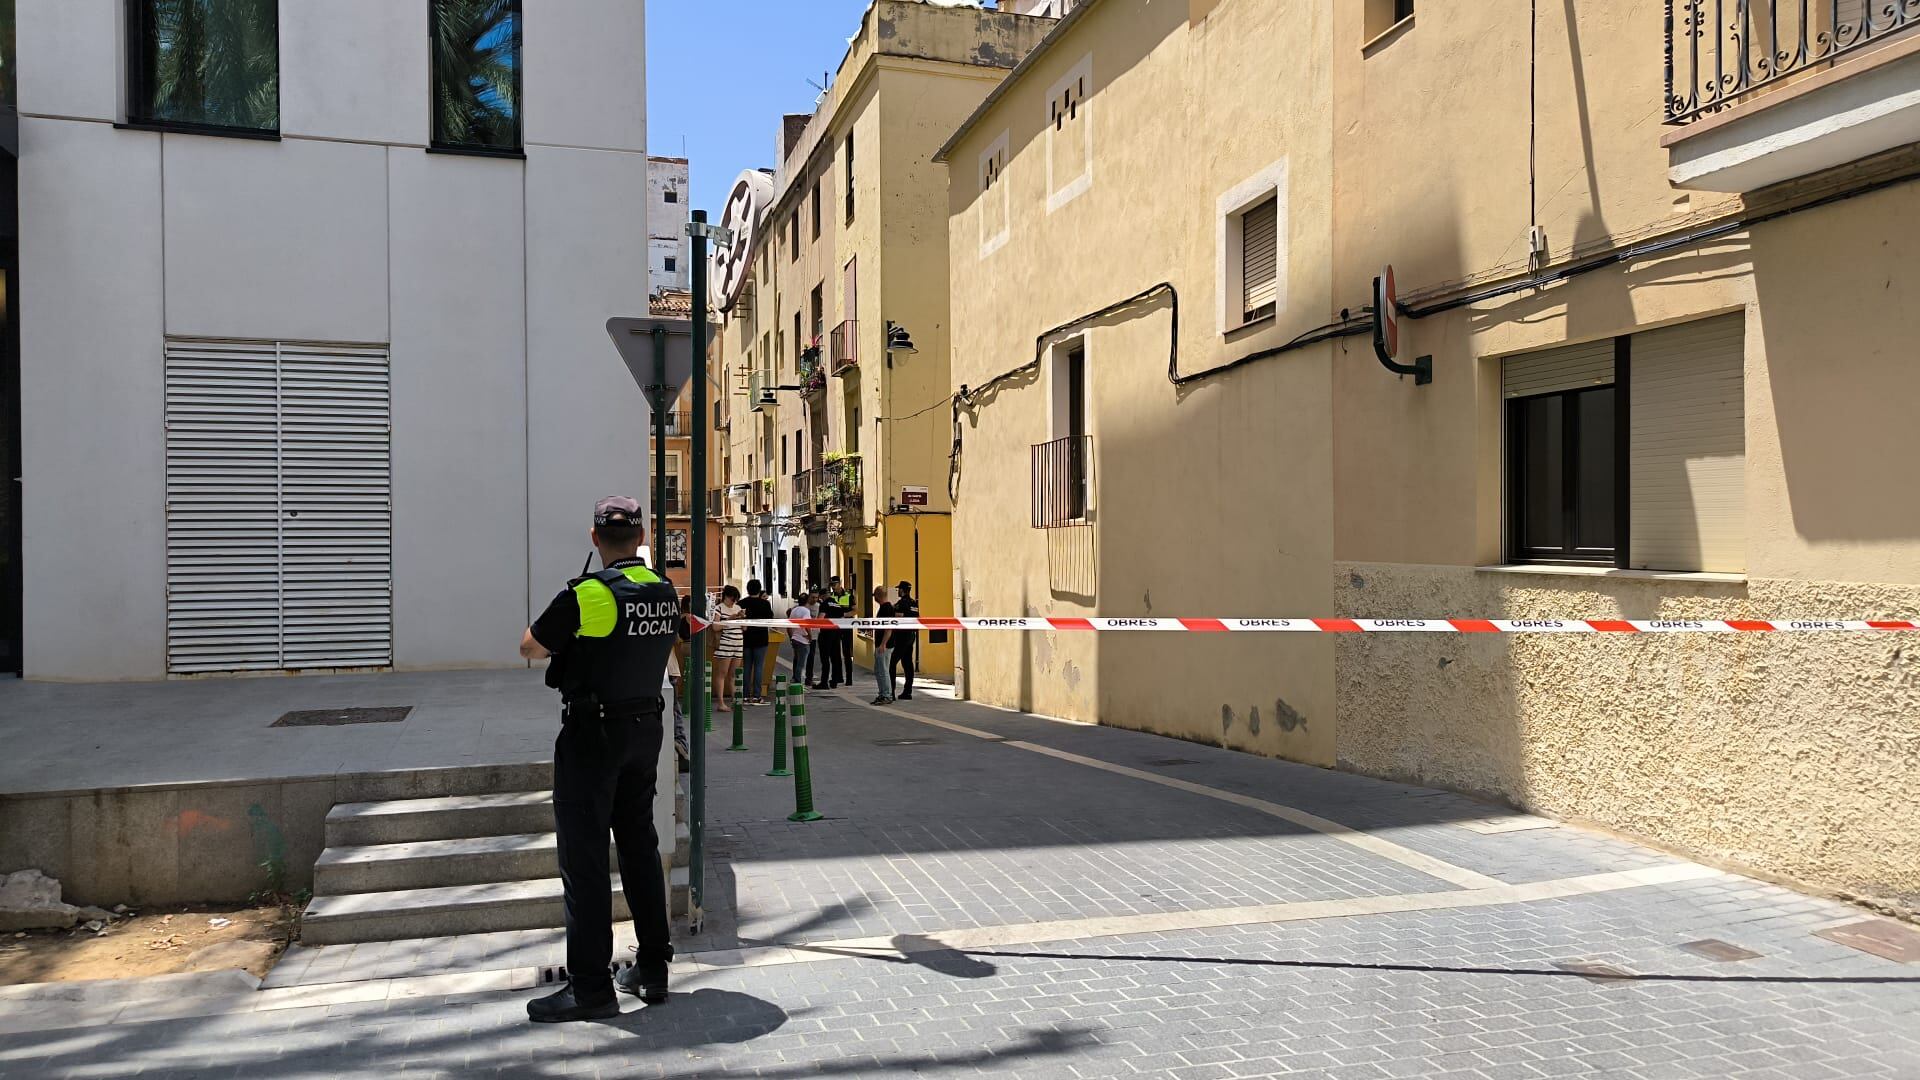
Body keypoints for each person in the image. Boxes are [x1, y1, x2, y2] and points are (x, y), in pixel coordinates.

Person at [518, 496, 679, 1022]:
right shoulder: (664, 590)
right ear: (641, 536)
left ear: (595, 539)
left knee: (584, 864)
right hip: (645, 730)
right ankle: (653, 968)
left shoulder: (588, 593)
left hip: (593, 737)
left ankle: (590, 988)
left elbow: (531, 647)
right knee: (639, 848)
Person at [739, 580, 775, 704]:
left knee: (747, 667)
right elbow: (770, 618)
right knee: (759, 667)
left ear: (747, 589)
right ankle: (757, 695)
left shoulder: (742, 603)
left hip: (746, 638)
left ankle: (745, 695)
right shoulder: (765, 604)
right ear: (759, 590)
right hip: (761, 638)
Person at [711, 586, 744, 711]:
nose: (733, 601)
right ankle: (721, 703)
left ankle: (736, 701)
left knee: (734, 674)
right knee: (722, 673)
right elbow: (715, 627)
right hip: (725, 643)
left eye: (735, 599)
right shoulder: (719, 608)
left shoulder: (738, 608)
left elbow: (744, 628)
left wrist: (742, 618)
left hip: (738, 642)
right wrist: (730, 619)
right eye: (732, 598)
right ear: (726, 596)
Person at [890, 580, 919, 701]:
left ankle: (890, 691)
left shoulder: (901, 604)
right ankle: (908, 692)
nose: (898, 591)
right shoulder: (914, 603)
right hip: (911, 635)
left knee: (891, 663)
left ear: (902, 590)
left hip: (901, 636)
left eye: (898, 589)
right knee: (908, 664)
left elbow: (897, 620)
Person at [819, 576, 850, 689]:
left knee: (825, 658)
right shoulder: (837, 604)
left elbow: (820, 619)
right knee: (835, 658)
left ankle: (824, 682)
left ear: (822, 596)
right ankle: (834, 681)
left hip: (826, 634)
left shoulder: (824, 604)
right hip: (836, 634)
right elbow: (842, 617)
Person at [870, 584, 896, 705]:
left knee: (883, 670)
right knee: (879, 670)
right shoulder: (884, 607)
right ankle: (882, 694)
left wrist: (883, 644)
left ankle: (886, 695)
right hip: (882, 644)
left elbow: (888, 629)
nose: (874, 598)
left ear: (878, 596)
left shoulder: (887, 608)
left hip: (885, 645)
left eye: (874, 595)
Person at [788, 590, 816, 691]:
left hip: (795, 638)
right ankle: (798, 684)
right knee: (801, 663)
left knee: (797, 661)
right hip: (802, 640)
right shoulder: (806, 611)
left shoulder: (794, 610)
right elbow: (806, 624)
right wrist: (810, 635)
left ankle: (795, 680)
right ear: (807, 600)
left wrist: (791, 637)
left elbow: (788, 626)